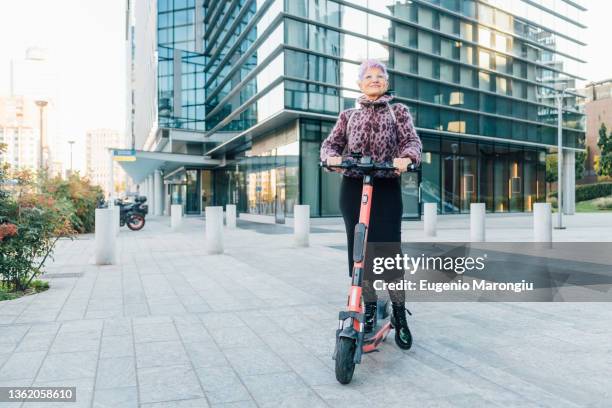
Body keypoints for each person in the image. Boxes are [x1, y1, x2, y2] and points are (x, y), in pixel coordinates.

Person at [320, 59, 422, 337]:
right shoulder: (348, 115)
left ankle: (399, 314)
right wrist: (330, 157)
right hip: (353, 186)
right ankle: (368, 309)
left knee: (389, 253)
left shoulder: (397, 111)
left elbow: (411, 141)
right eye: (369, 76)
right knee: (358, 254)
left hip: (386, 185)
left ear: (386, 83)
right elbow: (331, 144)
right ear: (360, 83)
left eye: (380, 76)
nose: (374, 79)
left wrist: (407, 158)